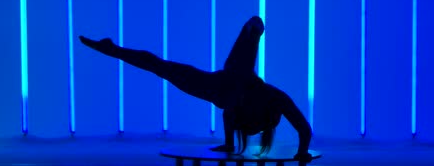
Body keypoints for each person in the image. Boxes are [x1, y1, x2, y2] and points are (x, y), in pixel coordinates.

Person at [79, 16, 313, 162]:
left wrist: (302, 151)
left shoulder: (272, 102)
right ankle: (113, 49)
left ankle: (113, 49)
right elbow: (304, 129)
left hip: (219, 86)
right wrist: (302, 152)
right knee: (162, 67)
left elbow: (231, 111)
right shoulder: (276, 98)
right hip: (228, 81)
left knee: (162, 67)